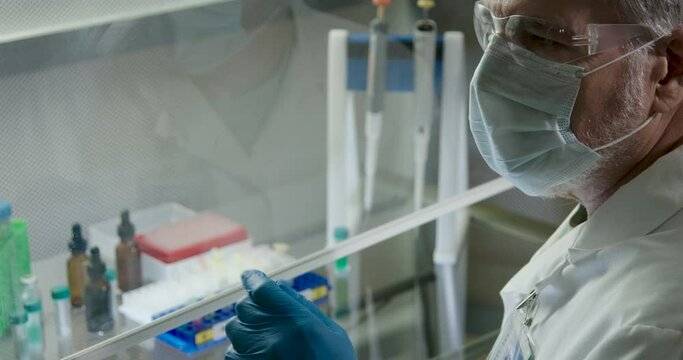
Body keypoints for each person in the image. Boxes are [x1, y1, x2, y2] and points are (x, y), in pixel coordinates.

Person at [224, 0, 683, 359]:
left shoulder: (657, 332)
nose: (490, 75)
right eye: (493, 29)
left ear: (669, 69)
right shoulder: (606, 205)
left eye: (543, 37)